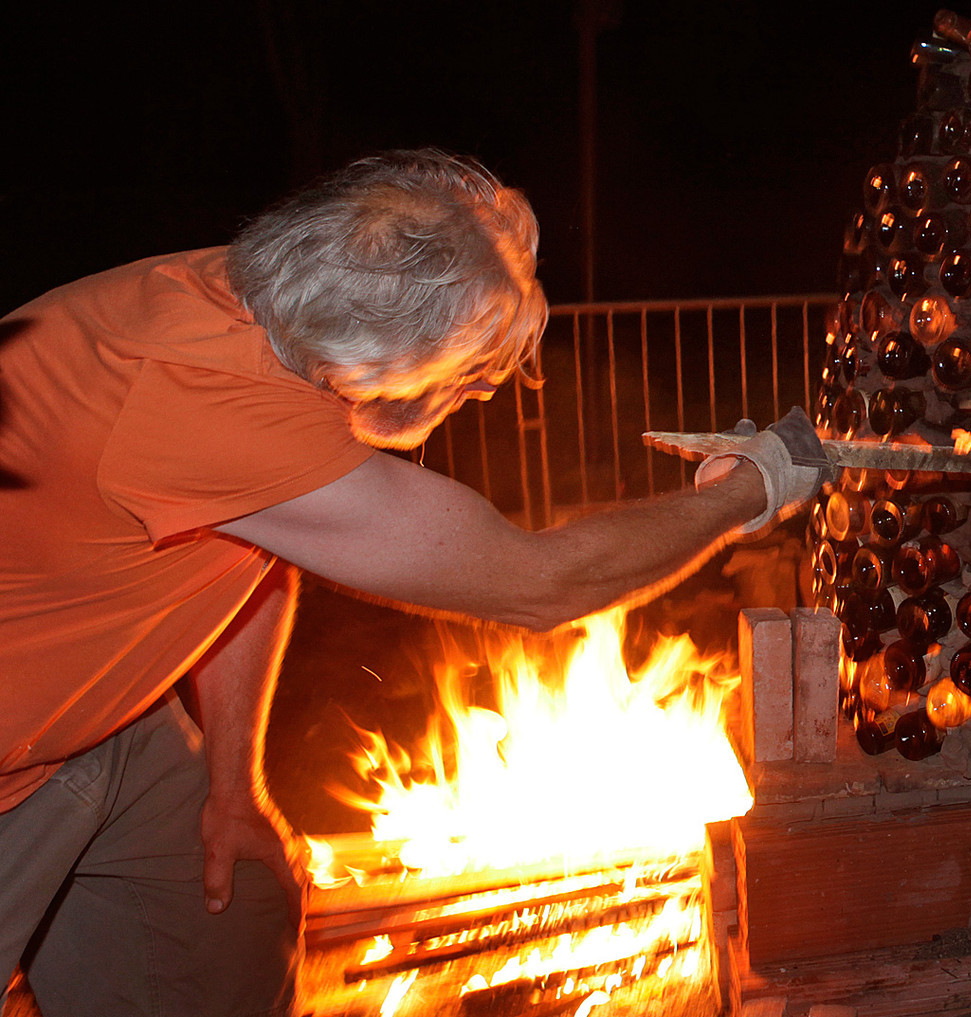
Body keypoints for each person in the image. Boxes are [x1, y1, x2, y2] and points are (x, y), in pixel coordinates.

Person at [0, 148, 830, 1015]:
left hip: (106, 715)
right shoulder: (203, 403)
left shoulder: (256, 305)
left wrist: (232, 782)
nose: (472, 395)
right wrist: (750, 487)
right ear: (385, 357)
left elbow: (249, 553)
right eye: (464, 373)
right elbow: (540, 584)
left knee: (230, 934)